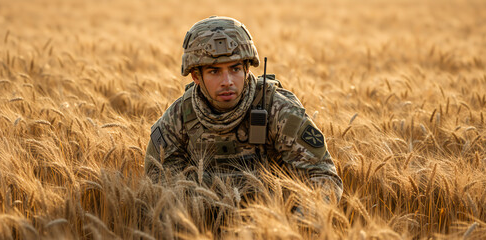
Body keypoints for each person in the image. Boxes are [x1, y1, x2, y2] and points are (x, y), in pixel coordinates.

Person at [145, 16, 343, 203]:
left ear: (247, 69)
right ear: (196, 77)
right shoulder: (178, 118)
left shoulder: (278, 110)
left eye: (235, 69)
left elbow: (322, 177)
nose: (227, 81)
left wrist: (298, 223)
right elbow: (160, 185)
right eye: (214, 71)